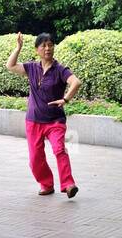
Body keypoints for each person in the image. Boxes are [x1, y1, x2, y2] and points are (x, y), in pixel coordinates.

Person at [7, 32, 82, 197]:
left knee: (59, 149)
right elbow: (10, 66)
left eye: (50, 45)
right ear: (37, 50)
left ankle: (68, 184)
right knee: (35, 159)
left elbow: (76, 82)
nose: (48, 48)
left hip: (55, 120)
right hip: (33, 120)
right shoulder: (32, 68)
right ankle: (46, 184)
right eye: (44, 45)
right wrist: (18, 47)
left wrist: (66, 99)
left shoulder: (60, 70)